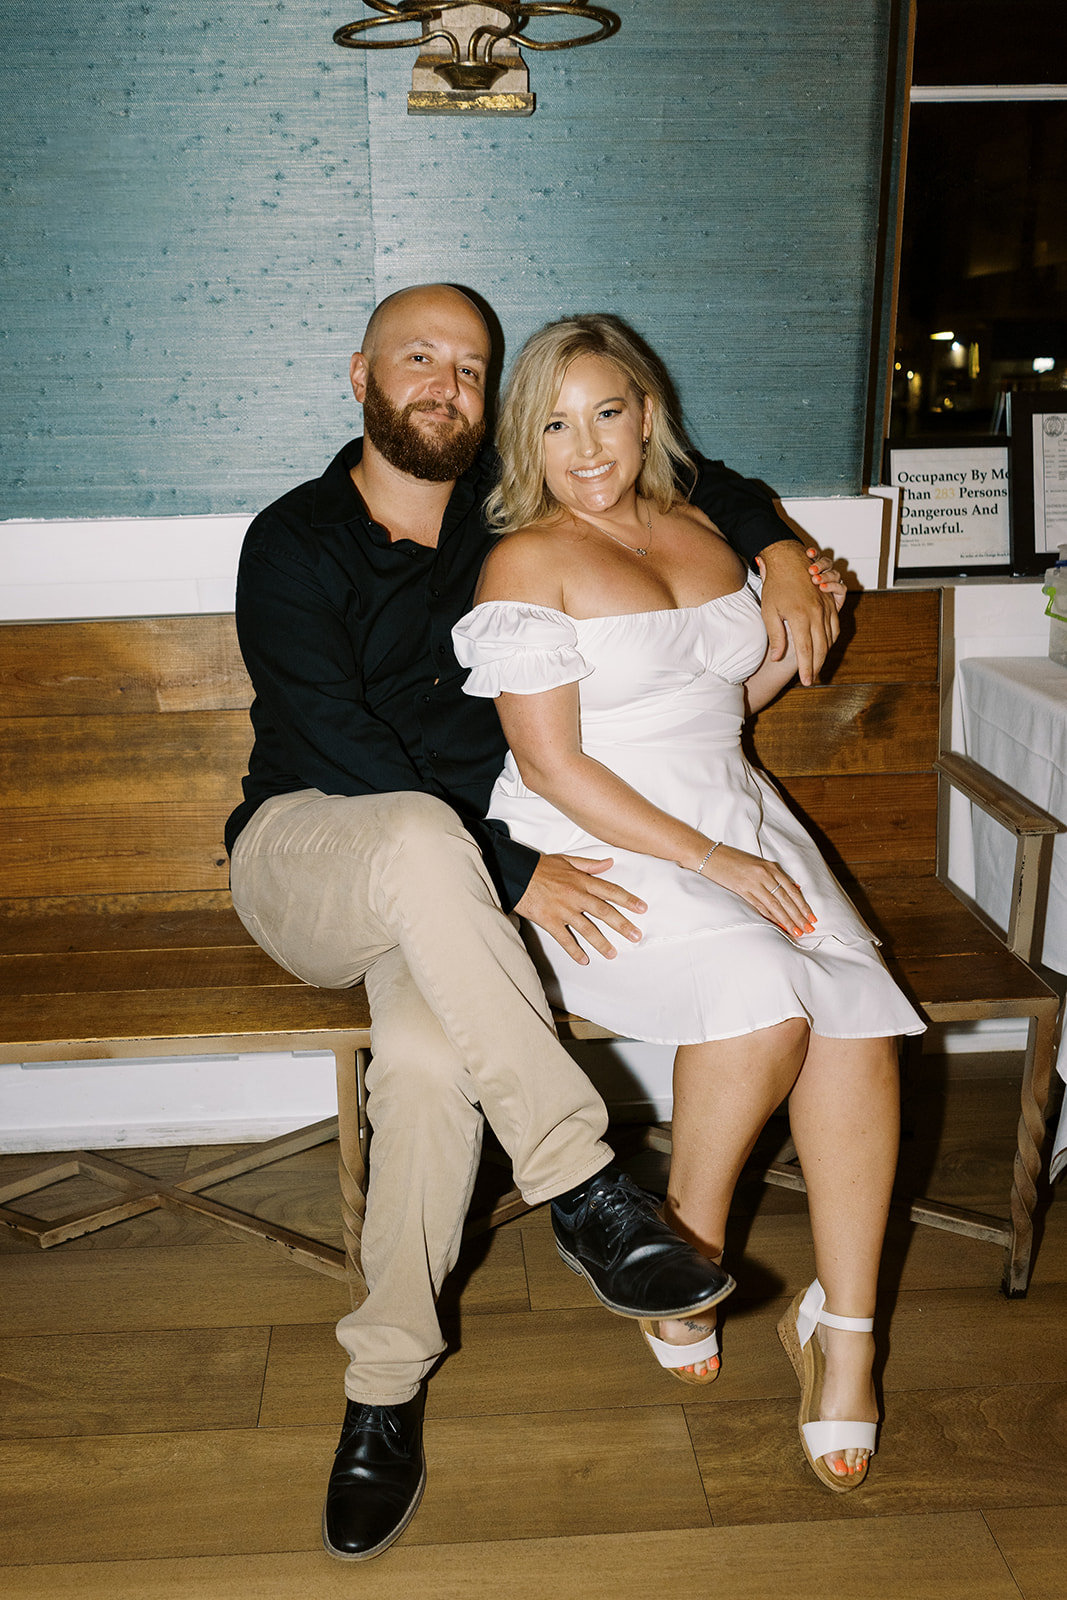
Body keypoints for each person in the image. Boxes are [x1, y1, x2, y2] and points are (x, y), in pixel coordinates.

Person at [225, 283, 844, 1559]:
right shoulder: (292, 540)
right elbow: (341, 745)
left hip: (451, 891)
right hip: (313, 847)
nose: (443, 382)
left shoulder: (505, 521)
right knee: (414, 827)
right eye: (417, 358)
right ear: (360, 376)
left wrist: (777, 546)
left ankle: (381, 1388)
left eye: (468, 365)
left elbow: (694, 475)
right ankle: (584, 1187)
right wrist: (514, 866)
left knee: (427, 1065)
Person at [452, 312, 926, 1493]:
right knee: (765, 992)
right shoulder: (526, 562)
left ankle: (845, 1333)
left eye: (605, 413)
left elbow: (722, 702)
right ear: (525, 443)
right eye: (553, 425)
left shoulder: (707, 526)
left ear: (646, 413)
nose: (585, 448)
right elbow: (554, 766)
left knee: (854, 1017)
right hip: (600, 842)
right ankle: (677, 1254)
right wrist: (714, 863)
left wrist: (806, 613)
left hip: (735, 809)